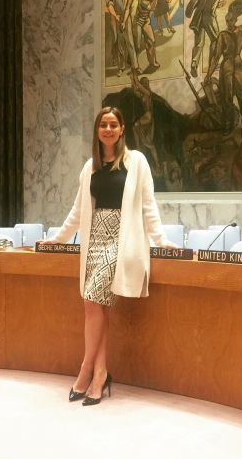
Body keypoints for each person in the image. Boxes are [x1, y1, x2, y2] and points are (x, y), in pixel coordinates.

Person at [42, 106, 178, 406]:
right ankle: (101, 372)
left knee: (92, 302)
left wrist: (161, 239)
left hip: (120, 240)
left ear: (122, 129)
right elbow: (78, 211)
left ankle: (86, 369)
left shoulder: (137, 162)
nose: (108, 129)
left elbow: (147, 205)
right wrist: (58, 238)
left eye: (113, 124)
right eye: (103, 124)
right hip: (93, 240)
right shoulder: (90, 166)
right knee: (98, 307)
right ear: (97, 130)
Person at [205, 0, 242, 132]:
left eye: (231, 20)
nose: (228, 23)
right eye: (227, 21)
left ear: (235, 20)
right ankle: (228, 124)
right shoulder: (222, 35)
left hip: (238, 63)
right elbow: (216, 57)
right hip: (227, 66)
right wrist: (208, 74)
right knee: (227, 96)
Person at [186, 0, 242, 77]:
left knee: (198, 43)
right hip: (208, 18)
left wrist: (216, 4)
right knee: (216, 40)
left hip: (198, 19)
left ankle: (194, 64)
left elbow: (196, 3)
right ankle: (212, 64)